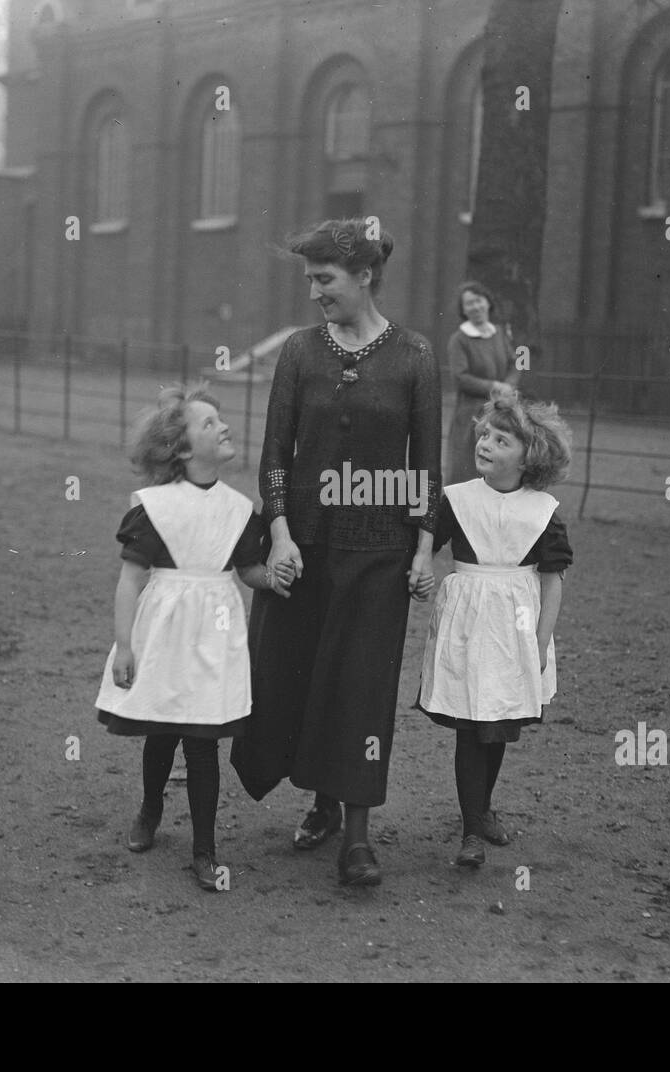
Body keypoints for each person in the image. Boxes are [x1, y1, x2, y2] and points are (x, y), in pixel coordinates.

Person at [231, 218, 440, 887]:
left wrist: (424, 548)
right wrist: (283, 531)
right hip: (308, 546)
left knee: (361, 688)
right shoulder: (299, 353)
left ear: (364, 276)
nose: (315, 292)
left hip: (381, 551)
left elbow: (427, 467)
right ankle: (319, 800)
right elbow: (274, 456)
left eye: (324, 280)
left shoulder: (414, 356)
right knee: (301, 676)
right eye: (310, 280)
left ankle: (356, 837)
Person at [94, 384, 292, 892]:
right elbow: (130, 581)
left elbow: (247, 569)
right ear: (182, 450)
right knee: (162, 730)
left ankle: (205, 849)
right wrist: (124, 644)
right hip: (164, 633)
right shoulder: (155, 508)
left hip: (215, 637)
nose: (223, 426)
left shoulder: (237, 507)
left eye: (219, 421)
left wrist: (275, 578)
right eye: (208, 424)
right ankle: (150, 808)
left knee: (203, 741)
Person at [415, 393, 573, 868]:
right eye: (485, 434)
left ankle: (482, 809)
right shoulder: (458, 500)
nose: (486, 443)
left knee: (497, 726)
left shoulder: (542, 511)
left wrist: (541, 643)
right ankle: (469, 831)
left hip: (516, 629)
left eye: (501, 440)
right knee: (470, 726)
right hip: (467, 625)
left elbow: (553, 582)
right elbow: (425, 543)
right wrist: (420, 565)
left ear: (529, 457)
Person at [445, 281, 521, 483]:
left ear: (488, 302)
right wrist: (494, 387)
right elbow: (460, 378)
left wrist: (509, 386)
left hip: (500, 411)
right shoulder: (459, 340)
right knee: (467, 472)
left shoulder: (501, 333)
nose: (475, 307)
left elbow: (517, 363)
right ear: (463, 310)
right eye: (468, 304)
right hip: (472, 415)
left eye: (478, 301)